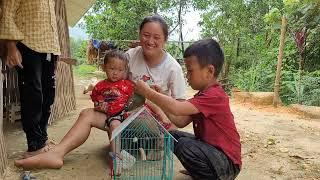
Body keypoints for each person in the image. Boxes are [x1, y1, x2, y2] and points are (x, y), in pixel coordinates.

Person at [14, 14, 186, 169]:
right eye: (146, 35)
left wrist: (156, 98)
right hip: (123, 116)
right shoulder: (130, 56)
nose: (150, 41)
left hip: (151, 123)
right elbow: (114, 80)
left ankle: (145, 146)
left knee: (135, 115)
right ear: (139, 35)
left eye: (156, 37)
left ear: (165, 39)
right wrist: (103, 100)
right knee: (87, 114)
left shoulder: (173, 68)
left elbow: (181, 116)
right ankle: (57, 154)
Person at [134, 38, 241, 180]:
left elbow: (177, 108)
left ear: (209, 71)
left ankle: (209, 176)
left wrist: (148, 93)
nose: (187, 75)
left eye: (190, 70)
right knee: (173, 137)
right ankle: (201, 172)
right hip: (214, 156)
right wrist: (161, 96)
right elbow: (180, 121)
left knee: (184, 145)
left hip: (226, 164)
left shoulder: (214, 96)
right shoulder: (203, 96)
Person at [0, 0, 60, 157]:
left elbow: (50, 22)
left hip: (48, 47)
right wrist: (11, 47)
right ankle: (34, 146)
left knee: (48, 95)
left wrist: (55, 51)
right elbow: (7, 13)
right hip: (27, 44)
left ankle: (42, 138)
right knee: (32, 95)